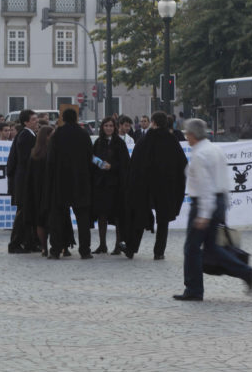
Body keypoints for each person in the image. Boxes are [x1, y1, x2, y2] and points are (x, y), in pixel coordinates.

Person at [173, 119, 252, 301]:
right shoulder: (214, 149)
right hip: (219, 200)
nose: (186, 136)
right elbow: (221, 181)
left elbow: (205, 186)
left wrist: (204, 214)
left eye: (187, 133)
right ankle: (247, 272)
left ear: (193, 135)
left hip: (205, 203)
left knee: (192, 248)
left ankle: (194, 290)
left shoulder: (200, 155)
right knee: (212, 247)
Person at [125, 111, 188, 260]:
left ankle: (132, 248)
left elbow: (134, 164)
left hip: (144, 185)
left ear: (153, 122)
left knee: (140, 215)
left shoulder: (144, 140)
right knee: (163, 219)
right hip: (165, 186)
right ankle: (159, 251)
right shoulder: (171, 140)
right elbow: (182, 163)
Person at [45, 108, 95, 259]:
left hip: (61, 181)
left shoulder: (57, 135)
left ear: (63, 118)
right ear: (77, 118)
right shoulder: (84, 134)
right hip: (81, 181)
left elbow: (51, 160)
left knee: (57, 217)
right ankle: (85, 250)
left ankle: (56, 249)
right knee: (83, 219)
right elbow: (90, 158)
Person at [91, 117, 130, 255]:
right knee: (102, 215)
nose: (108, 128)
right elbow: (92, 159)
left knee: (117, 216)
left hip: (115, 185)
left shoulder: (119, 143)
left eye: (111, 126)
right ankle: (102, 244)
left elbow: (125, 164)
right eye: (106, 126)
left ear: (115, 128)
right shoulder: (98, 142)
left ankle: (118, 244)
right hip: (101, 184)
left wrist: (112, 167)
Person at [6, 109, 39, 254]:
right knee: (22, 213)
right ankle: (15, 243)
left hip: (25, 180)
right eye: (34, 120)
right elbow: (26, 160)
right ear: (26, 122)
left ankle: (29, 242)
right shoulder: (26, 136)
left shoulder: (26, 134)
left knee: (28, 212)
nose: (36, 122)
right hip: (24, 181)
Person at [26, 125, 55, 256]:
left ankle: (44, 247)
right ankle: (56, 245)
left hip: (37, 191)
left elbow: (29, 175)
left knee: (40, 221)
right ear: (48, 136)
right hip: (50, 190)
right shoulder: (52, 152)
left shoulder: (34, 153)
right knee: (52, 219)